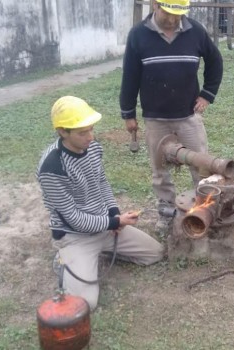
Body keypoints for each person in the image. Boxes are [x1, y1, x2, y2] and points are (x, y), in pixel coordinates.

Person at [37, 96, 164, 310]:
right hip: (75, 236)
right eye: (82, 132)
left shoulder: (93, 147)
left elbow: (101, 182)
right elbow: (74, 219)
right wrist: (113, 222)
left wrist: (115, 215)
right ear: (62, 132)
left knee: (156, 253)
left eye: (91, 129)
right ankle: (64, 260)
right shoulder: (52, 168)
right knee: (86, 304)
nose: (90, 136)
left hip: (104, 226)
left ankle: (97, 254)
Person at [119, 0, 223, 232]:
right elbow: (130, 77)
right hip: (155, 119)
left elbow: (215, 61)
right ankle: (166, 211)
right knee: (160, 170)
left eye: (178, 14)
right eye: (169, 13)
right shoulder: (138, 35)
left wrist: (207, 95)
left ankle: (205, 208)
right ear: (155, 5)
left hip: (188, 116)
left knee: (202, 165)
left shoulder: (195, 31)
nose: (174, 19)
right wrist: (128, 113)